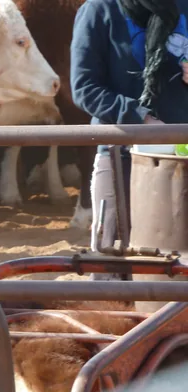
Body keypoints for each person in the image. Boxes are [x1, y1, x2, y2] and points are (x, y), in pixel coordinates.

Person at [71, 0, 188, 273]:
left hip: (183, 156)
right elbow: (84, 87)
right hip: (122, 155)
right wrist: (141, 118)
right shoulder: (100, 10)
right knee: (114, 257)